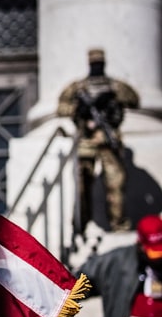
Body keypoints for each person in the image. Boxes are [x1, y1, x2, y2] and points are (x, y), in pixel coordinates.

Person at [57, 48, 140, 233]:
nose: (97, 67)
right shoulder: (78, 88)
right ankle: (80, 226)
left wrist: (112, 98)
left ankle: (118, 225)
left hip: (109, 142)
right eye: (94, 64)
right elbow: (60, 107)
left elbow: (134, 100)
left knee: (116, 184)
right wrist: (79, 109)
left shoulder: (115, 86)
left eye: (99, 64)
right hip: (86, 142)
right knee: (82, 185)